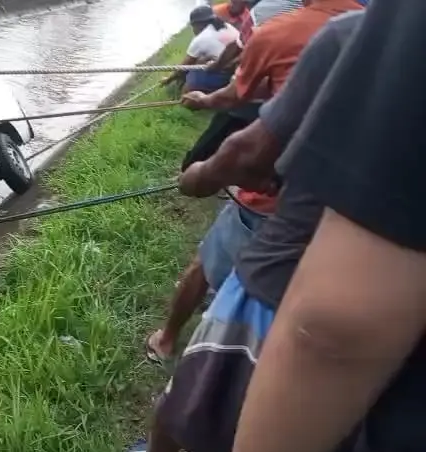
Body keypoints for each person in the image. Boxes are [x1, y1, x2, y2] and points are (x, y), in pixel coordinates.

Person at [121, 7, 365, 452]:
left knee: (209, 341)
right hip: (373, 261)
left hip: (282, 224)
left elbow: (245, 135)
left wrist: (197, 177)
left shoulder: (332, 35)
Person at [225, 0, 426, 452]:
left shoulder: (342, 34)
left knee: (210, 269)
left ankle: (158, 448)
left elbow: (338, 328)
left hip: (283, 254)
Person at [145, 0, 363, 363]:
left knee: (204, 264)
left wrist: (199, 177)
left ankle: (168, 339)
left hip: (280, 203)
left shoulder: (291, 31)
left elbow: (247, 138)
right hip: (361, 220)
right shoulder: (391, 36)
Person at [161, 5, 241, 93]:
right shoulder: (225, 25)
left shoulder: (201, 39)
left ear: (198, 24)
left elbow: (183, 67)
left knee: (186, 91)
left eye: (193, 26)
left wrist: (168, 80)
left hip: (229, 72)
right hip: (238, 64)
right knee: (200, 60)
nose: (193, 30)